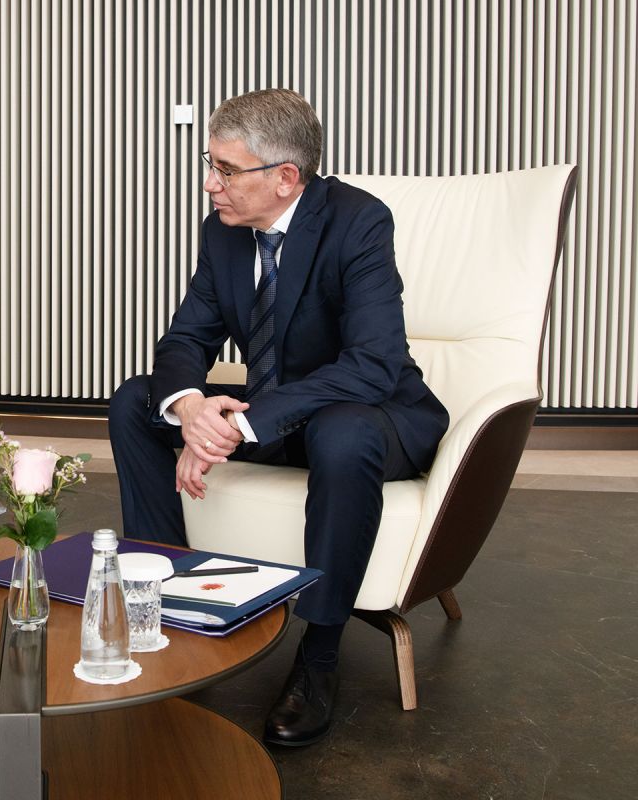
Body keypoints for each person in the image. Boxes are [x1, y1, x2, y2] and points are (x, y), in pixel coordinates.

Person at [109, 89, 448, 747]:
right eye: (210, 165)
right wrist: (192, 408)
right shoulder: (223, 230)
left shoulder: (357, 221)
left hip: (372, 420)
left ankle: (319, 655)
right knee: (134, 401)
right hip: (278, 417)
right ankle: (171, 603)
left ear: (285, 177)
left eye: (225, 170)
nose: (209, 184)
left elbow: (374, 364)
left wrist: (241, 423)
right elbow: (186, 338)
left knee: (342, 431)